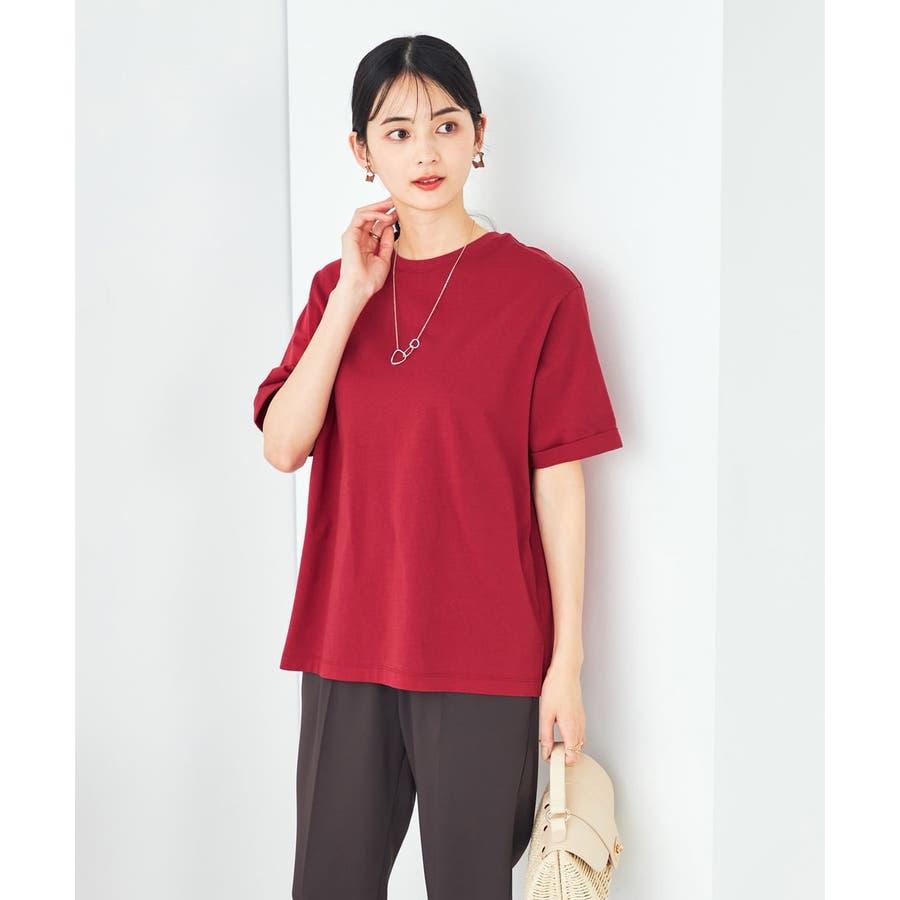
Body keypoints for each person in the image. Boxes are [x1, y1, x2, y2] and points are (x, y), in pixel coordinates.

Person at [252, 34, 623, 900]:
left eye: (446, 126)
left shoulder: (543, 292)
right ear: (361, 149)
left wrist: (566, 664)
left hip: (486, 655)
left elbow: (560, 485)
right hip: (348, 645)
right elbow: (283, 446)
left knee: (471, 888)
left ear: (479, 135)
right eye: (398, 132)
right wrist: (352, 295)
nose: (425, 153)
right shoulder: (335, 290)